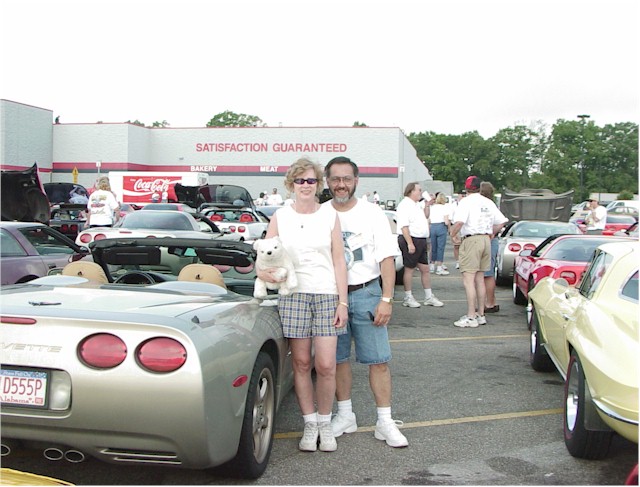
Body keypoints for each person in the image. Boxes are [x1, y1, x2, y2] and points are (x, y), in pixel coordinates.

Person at [258, 157, 348, 453]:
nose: (306, 186)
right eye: (300, 181)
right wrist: (264, 273)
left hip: (326, 294)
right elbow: (265, 257)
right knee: (301, 363)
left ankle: (325, 421)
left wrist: (343, 302)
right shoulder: (280, 217)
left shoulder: (329, 216)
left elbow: (338, 260)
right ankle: (309, 424)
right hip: (293, 294)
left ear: (318, 184)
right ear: (291, 184)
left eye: (311, 181)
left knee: (325, 364)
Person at [324, 156, 408, 448]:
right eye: (335, 179)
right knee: (337, 360)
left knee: (378, 360)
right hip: (332, 297)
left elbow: (387, 258)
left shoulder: (373, 214)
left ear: (356, 181)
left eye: (347, 178)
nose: (341, 184)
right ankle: (345, 414)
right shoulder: (321, 213)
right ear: (328, 181)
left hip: (367, 292)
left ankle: (384, 421)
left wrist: (387, 299)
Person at [449, 176, 507, 328]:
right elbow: (501, 220)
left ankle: (471, 315)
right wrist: (491, 233)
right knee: (480, 278)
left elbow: (460, 222)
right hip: (485, 239)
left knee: (469, 280)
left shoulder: (466, 202)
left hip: (472, 239)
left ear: (467, 188)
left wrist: (452, 234)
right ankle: (481, 314)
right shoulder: (488, 202)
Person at [395, 182, 443, 308]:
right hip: (411, 238)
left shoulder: (416, 205)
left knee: (425, 269)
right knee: (409, 268)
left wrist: (427, 205)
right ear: (411, 191)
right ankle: (408, 297)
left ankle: (428, 296)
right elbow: (404, 226)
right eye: (419, 190)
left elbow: (426, 216)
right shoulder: (405, 205)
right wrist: (410, 243)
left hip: (420, 239)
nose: (421, 193)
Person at [480, 182, 506, 313]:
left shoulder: (488, 205)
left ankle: (489, 303)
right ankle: (490, 301)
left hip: (489, 240)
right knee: (486, 273)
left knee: (487, 274)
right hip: (489, 240)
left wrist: (492, 232)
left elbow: (501, 222)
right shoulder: (490, 205)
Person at [429, 192, 451, 275]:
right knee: (440, 248)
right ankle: (439, 267)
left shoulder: (432, 207)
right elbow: (446, 221)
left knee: (433, 247)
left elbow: (429, 219)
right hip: (441, 227)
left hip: (433, 227)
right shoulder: (444, 208)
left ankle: (431, 265)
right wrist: (449, 229)